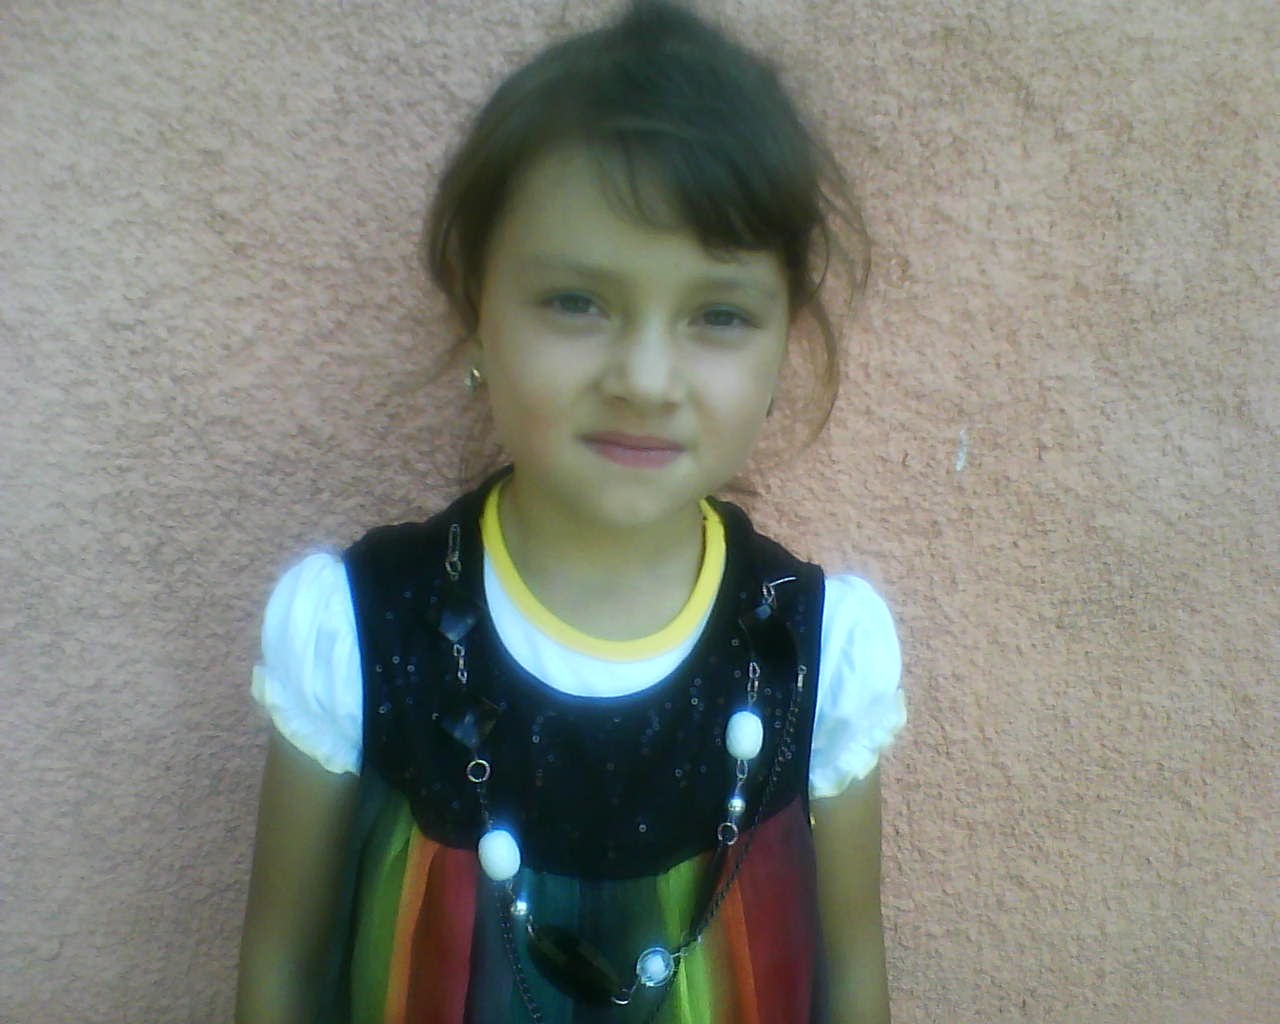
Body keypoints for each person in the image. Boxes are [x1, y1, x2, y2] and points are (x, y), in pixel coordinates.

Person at [235, 2, 906, 1022]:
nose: (645, 377)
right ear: (477, 311)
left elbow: (850, 979)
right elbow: (280, 973)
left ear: (783, 345)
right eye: (576, 302)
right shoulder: (359, 633)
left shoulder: (818, 654)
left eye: (718, 314)